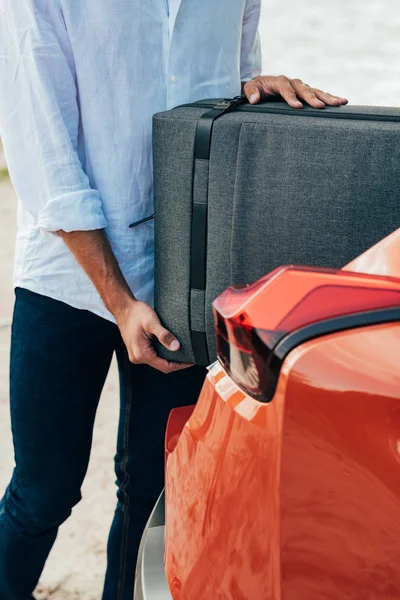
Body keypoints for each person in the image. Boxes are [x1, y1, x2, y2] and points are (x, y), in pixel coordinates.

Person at [0, 1, 347, 598]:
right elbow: (45, 157)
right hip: (65, 277)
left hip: (185, 274)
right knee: (44, 490)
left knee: (153, 491)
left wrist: (258, 99)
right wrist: (119, 299)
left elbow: (225, 117)